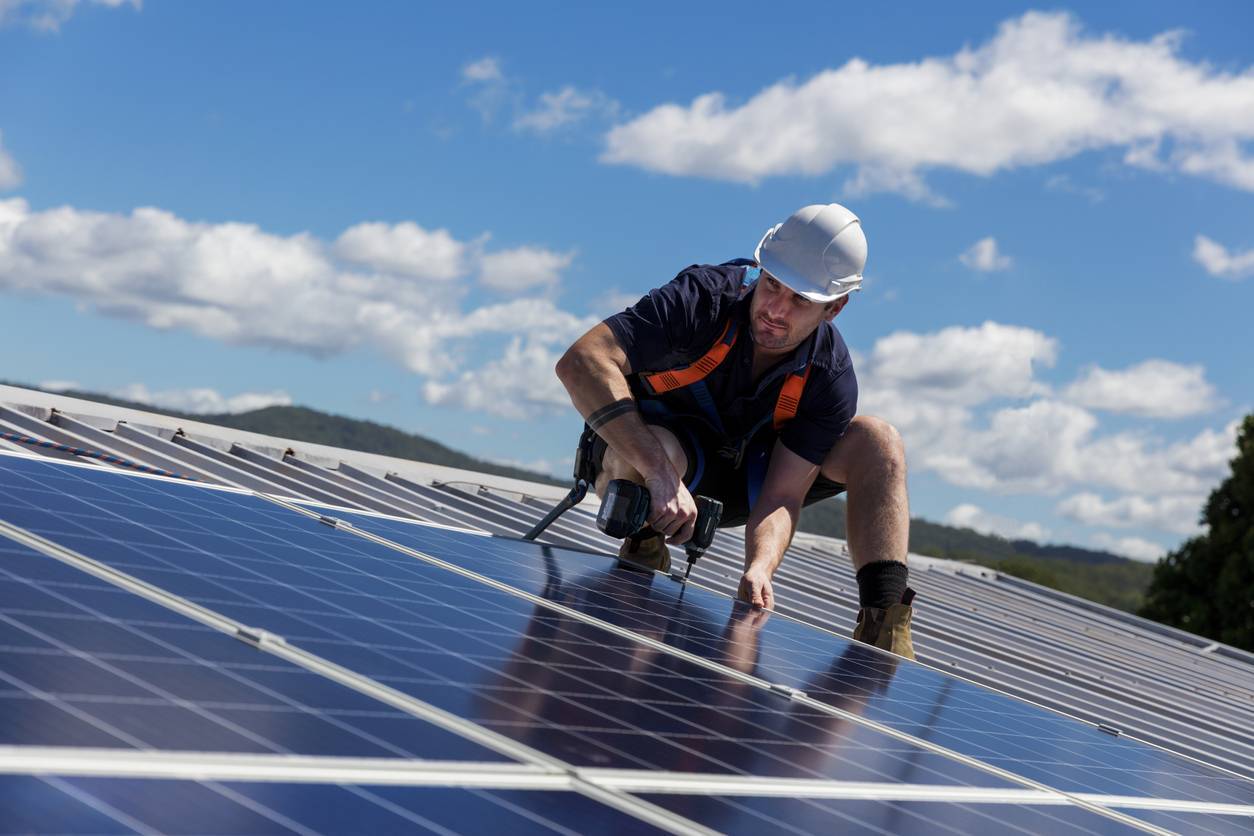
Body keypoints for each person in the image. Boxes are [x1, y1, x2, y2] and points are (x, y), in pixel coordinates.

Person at [554, 203, 915, 659]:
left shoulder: (829, 376)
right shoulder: (702, 299)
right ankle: (644, 546)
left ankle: (884, 631)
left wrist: (761, 567)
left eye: (800, 301)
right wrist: (661, 475)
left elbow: (783, 496)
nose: (775, 310)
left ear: (835, 308)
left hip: (747, 484)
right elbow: (581, 361)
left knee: (878, 441)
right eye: (772, 286)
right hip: (654, 466)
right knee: (660, 450)